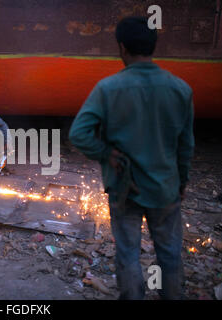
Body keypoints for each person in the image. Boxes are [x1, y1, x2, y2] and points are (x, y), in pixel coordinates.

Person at [69, 17, 194, 300]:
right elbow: (186, 147)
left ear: (122, 48)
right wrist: (181, 182)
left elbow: (79, 134)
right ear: (153, 46)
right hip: (165, 188)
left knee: (127, 254)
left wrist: (104, 153)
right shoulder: (181, 89)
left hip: (125, 188)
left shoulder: (108, 88)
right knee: (170, 256)